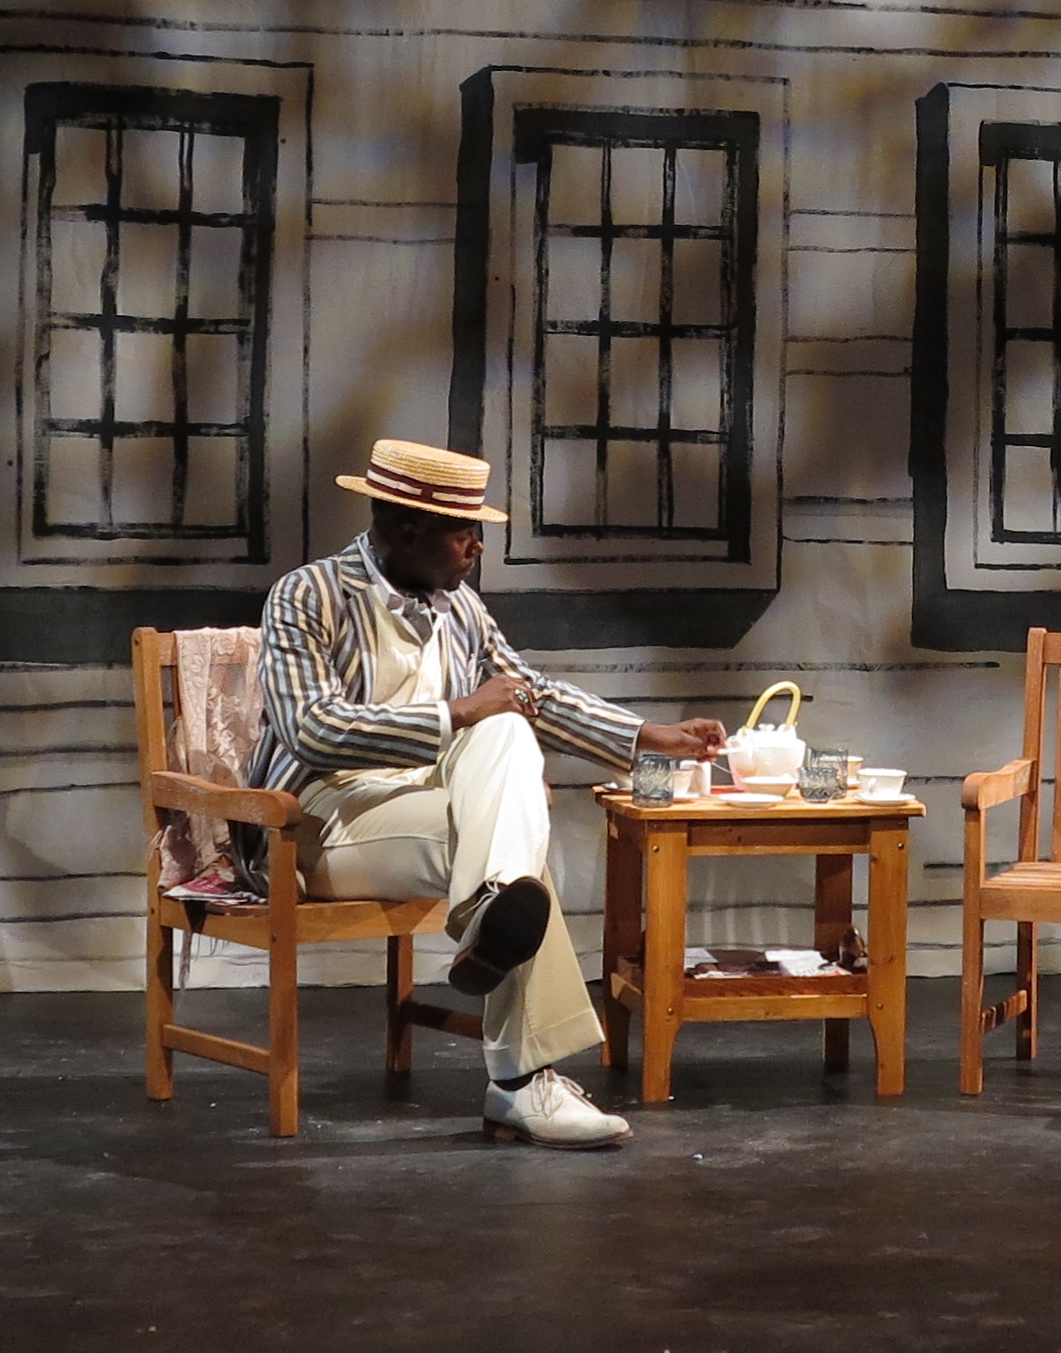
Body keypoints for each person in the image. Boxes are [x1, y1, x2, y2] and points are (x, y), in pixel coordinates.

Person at [252, 438, 728, 1150]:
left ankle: (490, 910)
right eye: (463, 531)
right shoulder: (308, 595)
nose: (477, 547)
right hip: (316, 822)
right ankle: (520, 1082)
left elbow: (529, 696)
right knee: (510, 831)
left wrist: (649, 736)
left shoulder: (461, 608)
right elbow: (311, 729)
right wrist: (456, 713)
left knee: (507, 745)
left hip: (420, 808)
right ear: (405, 528)